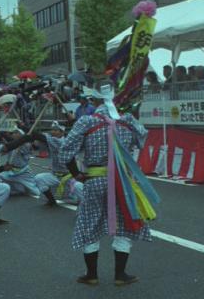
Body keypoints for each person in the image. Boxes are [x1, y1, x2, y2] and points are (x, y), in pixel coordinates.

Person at [59, 82, 151, 286]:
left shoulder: (87, 121)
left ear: (97, 101)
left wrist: (76, 174)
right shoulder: (127, 121)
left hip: (94, 179)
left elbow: (65, 151)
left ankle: (91, 274)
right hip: (123, 181)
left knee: (90, 223)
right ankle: (120, 275)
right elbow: (143, 139)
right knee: (125, 224)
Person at [33, 121, 83, 206]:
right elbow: (38, 146)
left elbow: (45, 138)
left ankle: (85, 203)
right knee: (39, 178)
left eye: (56, 130)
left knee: (78, 188)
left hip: (69, 176)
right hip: (55, 175)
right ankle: (51, 200)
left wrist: (34, 134)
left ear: (62, 132)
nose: (53, 132)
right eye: (52, 130)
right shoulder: (51, 141)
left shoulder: (64, 142)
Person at [0, 127, 40, 196]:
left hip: (23, 172)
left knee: (36, 192)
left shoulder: (26, 145)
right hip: (10, 170)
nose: (13, 134)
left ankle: (23, 187)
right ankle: (10, 190)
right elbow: (4, 146)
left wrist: (23, 140)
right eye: (13, 132)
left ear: (21, 135)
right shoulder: (12, 144)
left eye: (16, 133)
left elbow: (33, 146)